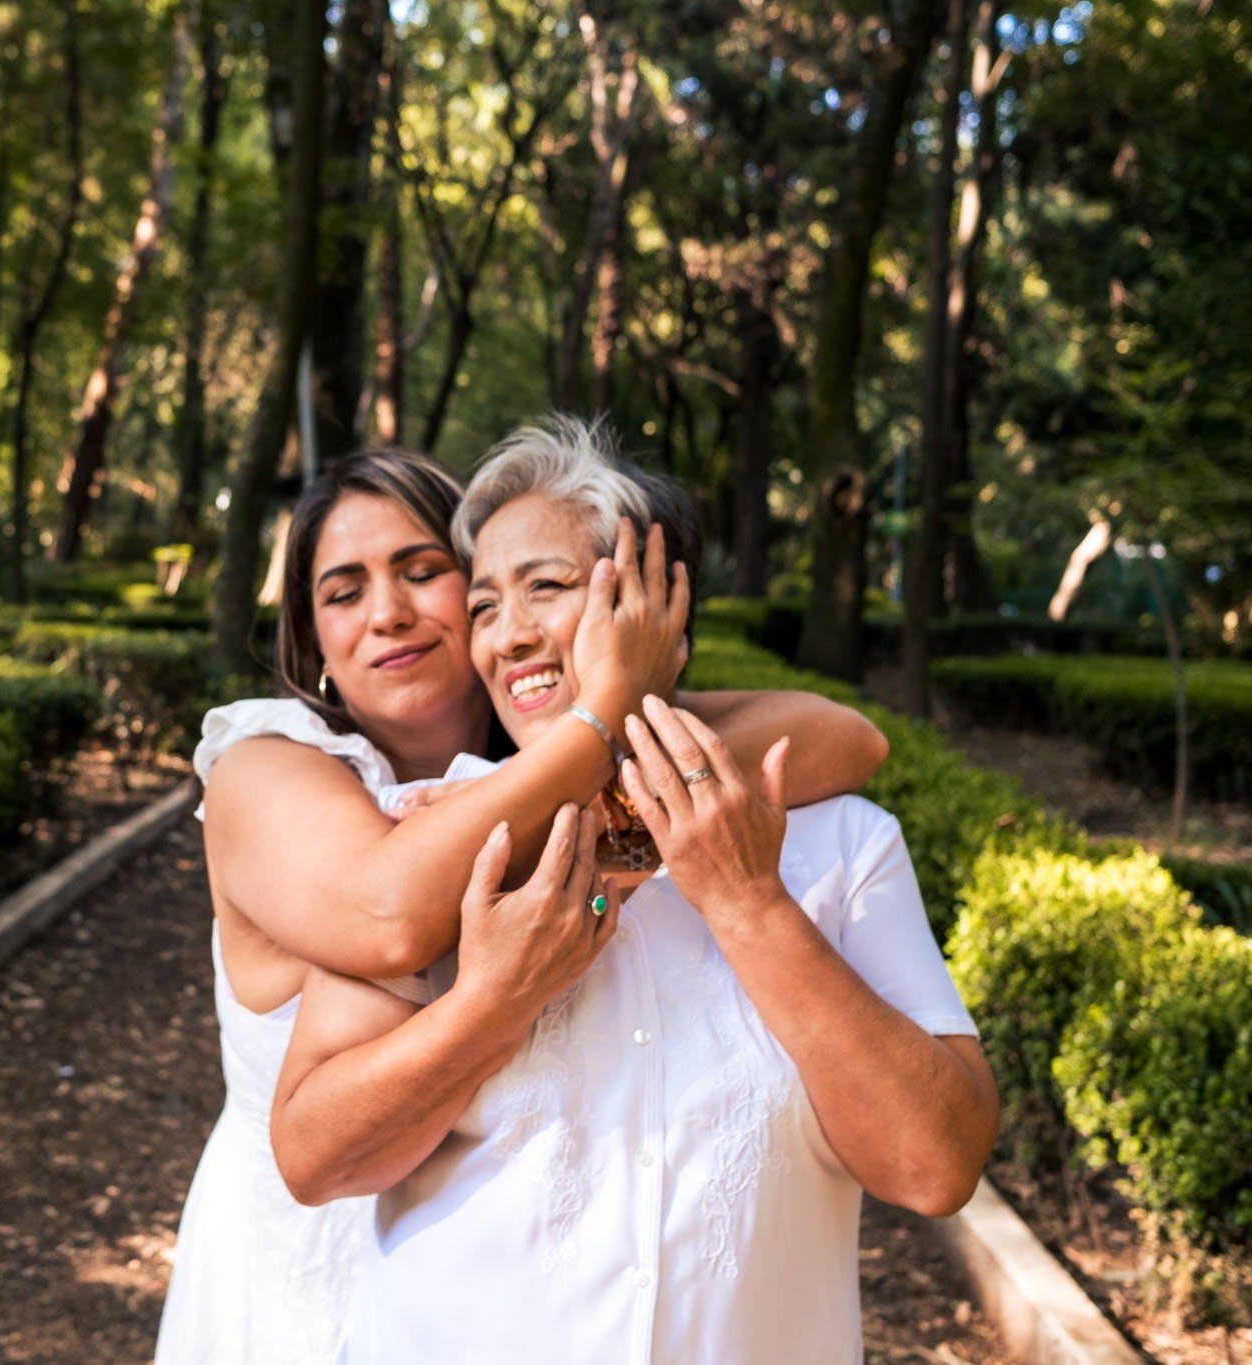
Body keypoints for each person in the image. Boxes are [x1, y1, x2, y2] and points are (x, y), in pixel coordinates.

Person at [268, 418, 1000, 1363]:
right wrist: (492, 1004)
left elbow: (936, 1165)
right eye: (484, 605)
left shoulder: (841, 843)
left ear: (661, 604)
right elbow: (315, 1157)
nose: (509, 635)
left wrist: (750, 905)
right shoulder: (436, 839)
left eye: (547, 587)